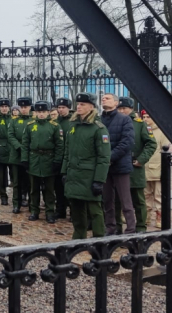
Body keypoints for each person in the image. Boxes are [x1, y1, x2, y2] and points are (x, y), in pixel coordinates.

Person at [61, 93, 111, 239]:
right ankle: (79, 236)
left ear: (91, 107)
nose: (79, 107)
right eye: (78, 104)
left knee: (94, 210)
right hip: (74, 174)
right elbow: (67, 151)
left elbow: (104, 157)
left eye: (83, 104)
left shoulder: (98, 129)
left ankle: (98, 239)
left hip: (89, 176)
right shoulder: (73, 126)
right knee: (76, 209)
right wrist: (64, 171)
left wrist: (99, 180)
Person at [114, 97, 157, 234]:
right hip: (117, 164)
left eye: (124, 108)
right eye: (119, 109)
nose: (121, 111)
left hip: (134, 166)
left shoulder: (139, 124)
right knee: (116, 200)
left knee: (138, 200)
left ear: (131, 109)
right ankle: (116, 227)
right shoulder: (114, 122)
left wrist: (141, 160)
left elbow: (151, 143)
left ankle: (140, 227)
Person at [21, 101, 63, 224]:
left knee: (49, 189)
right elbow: (25, 144)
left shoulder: (54, 126)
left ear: (48, 112)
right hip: (34, 159)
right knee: (34, 188)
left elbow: (59, 145)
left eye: (43, 112)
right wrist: (25, 159)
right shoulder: (29, 125)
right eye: (39, 112)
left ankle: (50, 212)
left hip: (48, 160)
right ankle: (34, 211)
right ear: (35, 112)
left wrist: (57, 161)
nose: (41, 114)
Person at [99, 93, 136, 235]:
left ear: (116, 103)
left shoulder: (125, 119)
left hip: (120, 165)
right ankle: (110, 228)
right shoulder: (99, 120)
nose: (103, 99)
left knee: (125, 201)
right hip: (104, 167)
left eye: (107, 98)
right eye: (102, 98)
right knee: (107, 200)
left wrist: (110, 157)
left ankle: (131, 230)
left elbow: (127, 142)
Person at [142, 110, 170, 228]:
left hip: (157, 168)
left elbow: (166, 149)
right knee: (145, 195)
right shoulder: (142, 130)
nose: (146, 119)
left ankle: (159, 217)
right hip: (143, 167)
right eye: (144, 116)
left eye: (148, 116)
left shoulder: (161, 131)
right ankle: (146, 217)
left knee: (158, 195)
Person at [7, 97, 32, 213]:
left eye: (25, 107)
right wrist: (19, 146)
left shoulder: (33, 120)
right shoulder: (14, 121)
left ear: (30, 107)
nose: (23, 109)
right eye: (21, 107)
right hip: (16, 155)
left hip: (30, 156)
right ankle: (16, 204)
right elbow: (10, 135)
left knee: (29, 181)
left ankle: (29, 202)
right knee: (16, 182)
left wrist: (27, 148)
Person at [53, 97, 73, 219]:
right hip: (57, 158)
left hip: (68, 157)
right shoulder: (55, 121)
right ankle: (60, 209)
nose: (61, 110)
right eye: (59, 108)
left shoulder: (72, 121)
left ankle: (72, 211)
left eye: (63, 107)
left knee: (68, 186)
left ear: (68, 108)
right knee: (58, 186)